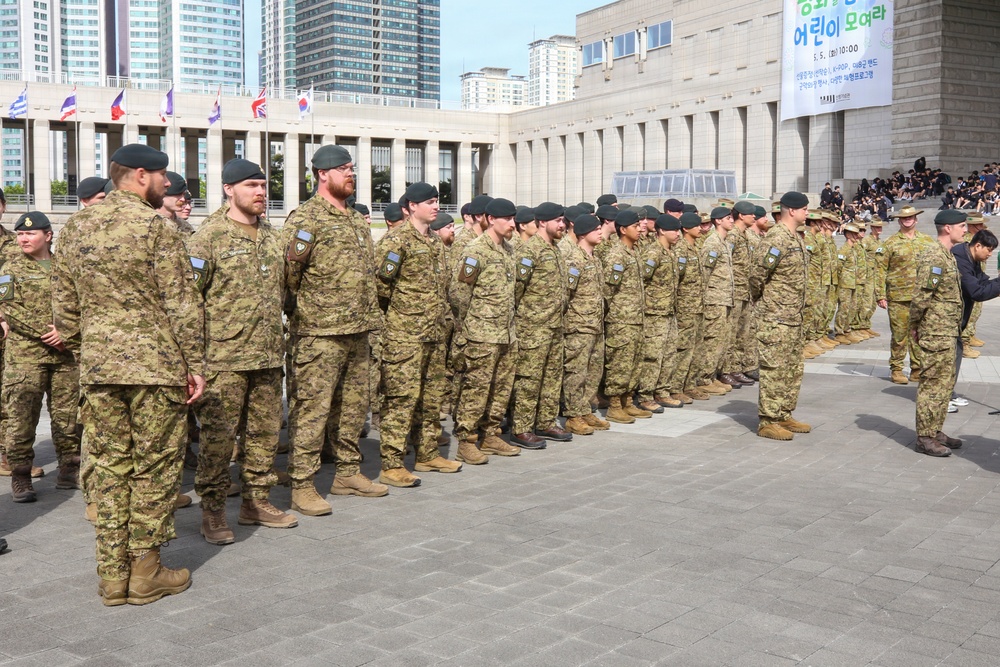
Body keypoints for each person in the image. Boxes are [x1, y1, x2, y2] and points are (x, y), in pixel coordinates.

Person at [51, 143, 206, 606]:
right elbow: (182, 303)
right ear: (141, 176)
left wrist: (92, 350)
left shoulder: (75, 228)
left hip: (99, 370)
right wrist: (194, 365)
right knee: (155, 469)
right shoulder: (156, 228)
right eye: (162, 178)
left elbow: (64, 308)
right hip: (156, 369)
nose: (166, 186)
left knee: (110, 469)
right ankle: (146, 571)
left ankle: (112, 577)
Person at [188, 159, 297, 545]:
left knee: (265, 434)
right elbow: (190, 301)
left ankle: (256, 501)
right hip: (223, 359)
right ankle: (213, 510)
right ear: (229, 189)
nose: (261, 192)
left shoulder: (273, 236)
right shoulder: (208, 237)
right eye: (252, 185)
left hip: (267, 355)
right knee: (218, 441)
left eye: (264, 186)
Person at [283, 145, 387, 517]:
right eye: (343, 168)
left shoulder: (356, 220)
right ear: (321, 174)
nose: (351, 173)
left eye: (352, 168)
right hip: (319, 333)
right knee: (312, 411)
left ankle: (347, 473)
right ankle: (302, 484)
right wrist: (309, 313)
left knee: (352, 409)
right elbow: (290, 276)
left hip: (358, 330)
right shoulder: (306, 219)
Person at [374, 182, 463, 487]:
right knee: (401, 399)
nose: (435, 206)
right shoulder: (397, 241)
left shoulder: (436, 243)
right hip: (405, 337)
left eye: (437, 201)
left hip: (434, 335)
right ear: (411, 206)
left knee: (431, 398)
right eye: (429, 202)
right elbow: (381, 287)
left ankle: (426, 454)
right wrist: (401, 320)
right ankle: (392, 463)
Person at [1, 211, 80, 503]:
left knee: (67, 417)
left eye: (30, 234)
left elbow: (81, 303)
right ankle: (21, 476)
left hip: (64, 357)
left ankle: (69, 470)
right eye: (20, 234)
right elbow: (10, 308)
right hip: (26, 356)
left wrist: (67, 334)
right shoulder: (10, 267)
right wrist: (50, 333)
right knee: (22, 417)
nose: (23, 238)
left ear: (47, 235)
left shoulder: (66, 266)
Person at [449, 198, 522, 463]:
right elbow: (459, 294)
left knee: (501, 388)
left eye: (514, 218)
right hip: (481, 333)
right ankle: (466, 440)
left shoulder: (509, 250)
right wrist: (470, 325)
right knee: (476, 389)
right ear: (491, 220)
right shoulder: (475, 250)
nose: (513, 224)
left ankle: (491, 434)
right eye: (508, 219)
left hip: (506, 332)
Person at [749, 191, 810, 441]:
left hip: (793, 316)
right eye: (805, 209)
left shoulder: (794, 237)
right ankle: (768, 420)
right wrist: (767, 303)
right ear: (792, 211)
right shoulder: (777, 238)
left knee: (792, 369)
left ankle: (784, 413)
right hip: (775, 317)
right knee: (774, 369)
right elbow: (756, 276)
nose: (808, 212)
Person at [910, 210, 969, 456]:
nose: (965, 230)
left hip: (947, 331)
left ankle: (935, 430)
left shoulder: (947, 255)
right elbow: (923, 295)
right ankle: (925, 437)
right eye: (962, 226)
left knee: (944, 386)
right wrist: (914, 325)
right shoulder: (934, 256)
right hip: (935, 333)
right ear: (947, 228)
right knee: (932, 385)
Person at [511, 202, 571, 448]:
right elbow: (516, 289)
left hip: (555, 325)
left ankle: (546, 421)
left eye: (563, 220)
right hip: (533, 327)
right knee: (529, 378)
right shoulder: (529, 251)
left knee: (551, 377)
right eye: (558, 220)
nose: (562, 225)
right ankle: (521, 428)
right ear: (543, 222)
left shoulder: (555, 249)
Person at [561, 214, 609, 435]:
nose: (600, 232)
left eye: (600, 228)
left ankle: (584, 408)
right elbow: (566, 295)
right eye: (595, 229)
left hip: (595, 325)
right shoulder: (574, 261)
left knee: (593, 370)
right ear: (582, 234)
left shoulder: (595, 259)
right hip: (578, 326)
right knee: (576, 372)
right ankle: (573, 414)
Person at [601, 209, 650, 423]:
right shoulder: (616, 255)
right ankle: (614, 405)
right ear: (623, 230)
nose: (640, 229)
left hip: (636, 318)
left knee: (634, 362)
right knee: (620, 363)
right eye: (635, 226)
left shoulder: (634, 252)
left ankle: (627, 401)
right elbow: (608, 291)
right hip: (621, 320)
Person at [878, 206, 936, 385]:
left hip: (921, 297)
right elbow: (880, 270)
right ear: (899, 220)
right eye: (904, 218)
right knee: (899, 335)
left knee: (919, 334)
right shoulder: (890, 243)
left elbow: (935, 266)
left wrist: (934, 289)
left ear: (916, 219)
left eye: (911, 217)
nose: (907, 220)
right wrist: (880, 294)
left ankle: (916, 369)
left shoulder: (927, 241)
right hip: (898, 297)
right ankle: (896, 368)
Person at [636, 213, 683, 412]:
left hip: (668, 311)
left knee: (669, 353)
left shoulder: (669, 252)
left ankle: (662, 391)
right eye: (674, 230)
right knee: (652, 356)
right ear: (662, 230)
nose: (678, 234)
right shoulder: (652, 253)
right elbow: (642, 281)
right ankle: (646, 395)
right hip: (654, 313)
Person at [669, 212, 707, 401]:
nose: (700, 228)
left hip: (698, 305)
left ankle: (689, 384)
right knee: (683, 348)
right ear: (685, 228)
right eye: (696, 225)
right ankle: (676, 386)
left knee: (696, 348)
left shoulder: (695, 247)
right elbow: (677, 281)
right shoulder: (680, 250)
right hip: (685, 307)